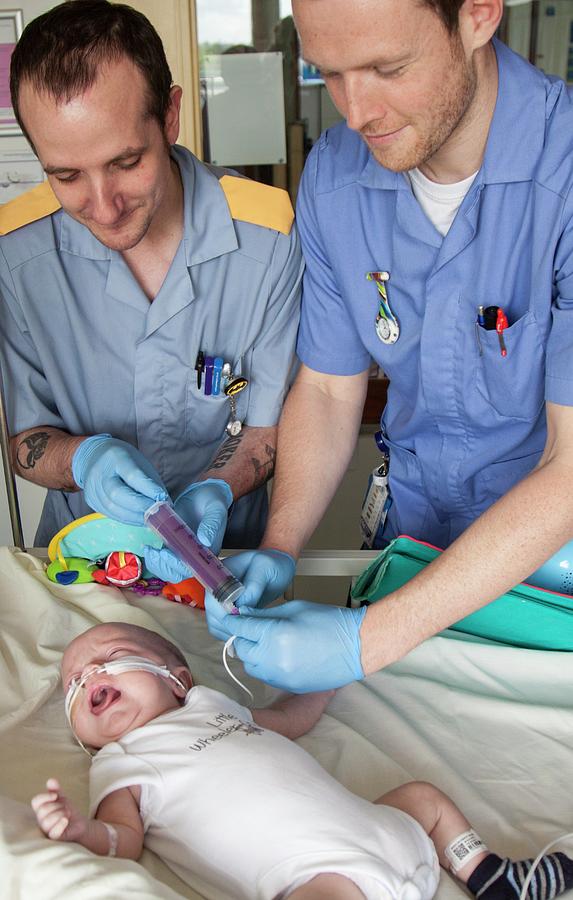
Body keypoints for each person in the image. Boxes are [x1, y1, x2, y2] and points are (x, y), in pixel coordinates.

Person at [157, 0, 573, 691]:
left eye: (386, 68)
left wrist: (365, 640)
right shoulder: (335, 177)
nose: (355, 112)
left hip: (548, 572)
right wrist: (281, 544)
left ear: (478, 14)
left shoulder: (559, 174)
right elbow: (326, 388)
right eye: (329, 73)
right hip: (406, 542)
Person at [0, 0, 303, 556]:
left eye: (126, 163)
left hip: (227, 555)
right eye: (66, 176)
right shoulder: (16, 255)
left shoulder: (268, 238)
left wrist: (217, 488)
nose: (104, 207)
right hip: (80, 561)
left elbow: (268, 427)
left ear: (169, 116)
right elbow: (24, 440)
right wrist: (83, 460)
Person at [31, 621, 573, 900]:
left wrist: (331, 675)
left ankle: (493, 877)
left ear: (178, 681)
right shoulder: (122, 761)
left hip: (383, 830)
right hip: (315, 877)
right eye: (75, 686)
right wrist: (82, 832)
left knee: (425, 799)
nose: (91, 678)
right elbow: (121, 839)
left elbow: (289, 722)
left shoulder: (214, 708)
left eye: (112, 658)